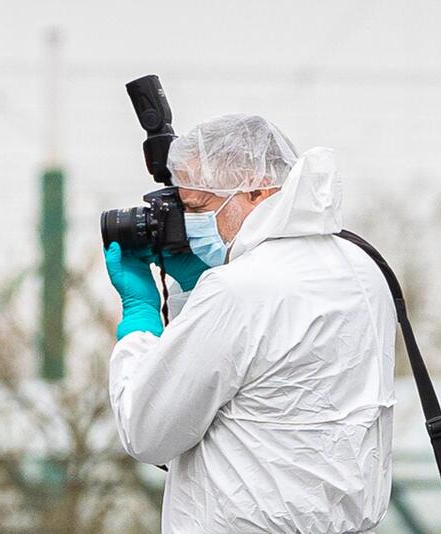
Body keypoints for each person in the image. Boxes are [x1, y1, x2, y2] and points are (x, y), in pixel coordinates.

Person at [103, 114, 397, 533]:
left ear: (257, 189)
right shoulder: (361, 271)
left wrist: (140, 321)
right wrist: (192, 290)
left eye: (197, 207)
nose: (187, 224)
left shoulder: (240, 290)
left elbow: (147, 431)